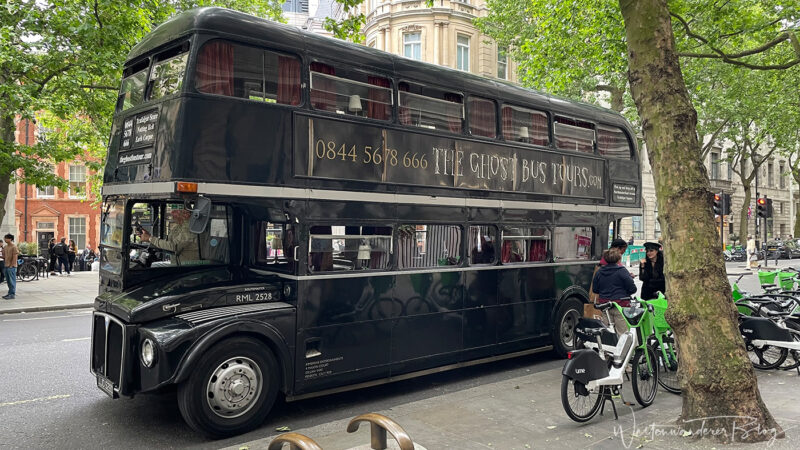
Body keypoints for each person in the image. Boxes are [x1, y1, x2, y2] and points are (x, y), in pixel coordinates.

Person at [592, 248, 637, 334]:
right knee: (623, 333)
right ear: (618, 259)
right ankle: (622, 347)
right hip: (620, 305)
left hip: (604, 306)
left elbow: (595, 289)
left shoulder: (599, 272)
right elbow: (633, 289)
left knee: (606, 332)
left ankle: (606, 347)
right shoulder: (622, 271)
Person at [3, 234, 18, 299]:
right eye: (5, 238)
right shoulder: (6, 247)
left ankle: (12, 294)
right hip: (6, 266)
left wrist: (11, 265)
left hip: (12, 267)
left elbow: (15, 257)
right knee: (8, 281)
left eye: (6, 238)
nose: (5, 239)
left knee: (12, 281)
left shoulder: (14, 247)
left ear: (10, 239)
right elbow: (5, 256)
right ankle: (9, 293)